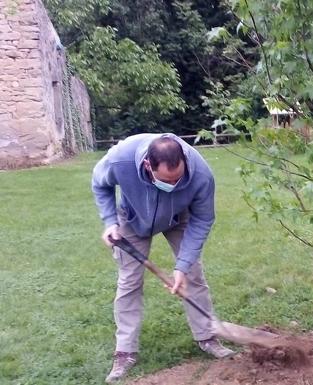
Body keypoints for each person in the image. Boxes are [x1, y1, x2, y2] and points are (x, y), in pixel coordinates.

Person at [92, 133, 234, 384]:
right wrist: (110, 222)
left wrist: (182, 266)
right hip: (133, 219)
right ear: (148, 165)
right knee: (129, 282)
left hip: (178, 217)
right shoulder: (120, 160)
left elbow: (202, 220)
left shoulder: (200, 174)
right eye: (167, 180)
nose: (175, 184)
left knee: (193, 275)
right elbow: (100, 183)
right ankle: (125, 351)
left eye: (179, 178)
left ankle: (207, 336)